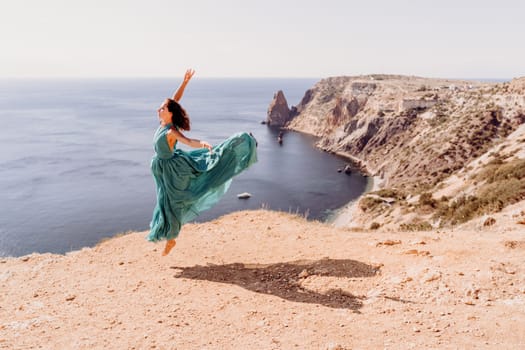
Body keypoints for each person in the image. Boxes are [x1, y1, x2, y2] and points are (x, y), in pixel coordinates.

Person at [148, 69, 258, 256]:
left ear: (170, 114)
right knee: (163, 201)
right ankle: (166, 232)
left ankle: (172, 238)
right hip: (162, 169)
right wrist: (184, 83)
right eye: (161, 107)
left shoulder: (170, 132)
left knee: (174, 202)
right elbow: (175, 100)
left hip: (173, 171)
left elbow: (188, 141)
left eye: (162, 108)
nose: (158, 109)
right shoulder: (163, 124)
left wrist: (202, 143)